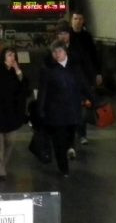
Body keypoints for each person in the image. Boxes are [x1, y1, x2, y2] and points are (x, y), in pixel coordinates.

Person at [37, 41, 92, 177]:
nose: (57, 55)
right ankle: (63, 167)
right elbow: (43, 91)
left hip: (72, 109)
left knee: (69, 134)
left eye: (59, 51)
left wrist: (93, 100)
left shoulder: (74, 67)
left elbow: (83, 85)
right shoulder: (48, 69)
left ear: (65, 51)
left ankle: (69, 148)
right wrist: (40, 109)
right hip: (56, 111)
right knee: (58, 140)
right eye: (54, 52)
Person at [0, 47, 29, 180]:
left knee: (10, 141)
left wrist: (18, 71)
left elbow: (25, 89)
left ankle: (3, 164)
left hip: (13, 114)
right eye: (9, 55)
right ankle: (1, 171)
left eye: (14, 54)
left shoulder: (17, 73)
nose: (12, 57)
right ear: (3, 57)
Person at [67, 13, 101, 145]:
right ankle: (71, 131)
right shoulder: (67, 35)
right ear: (71, 20)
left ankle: (82, 133)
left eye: (80, 19)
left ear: (83, 21)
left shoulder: (87, 37)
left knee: (84, 106)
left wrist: (98, 73)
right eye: (75, 18)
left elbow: (94, 55)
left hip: (85, 76)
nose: (78, 21)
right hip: (69, 76)